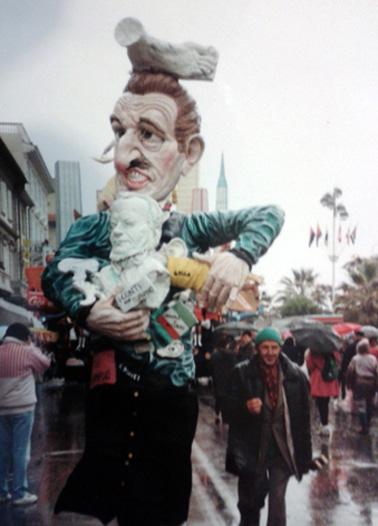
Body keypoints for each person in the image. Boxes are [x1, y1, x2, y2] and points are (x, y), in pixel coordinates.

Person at [41, 18, 285, 526]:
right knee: (78, 513)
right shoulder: (99, 228)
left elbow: (270, 214)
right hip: (108, 406)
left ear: (187, 153)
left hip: (168, 412)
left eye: (149, 134)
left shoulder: (189, 228)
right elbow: (56, 271)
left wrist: (239, 255)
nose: (129, 151)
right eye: (120, 131)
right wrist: (90, 312)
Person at [226, 327, 324, 526]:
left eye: (274, 347)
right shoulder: (241, 373)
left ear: (280, 348)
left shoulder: (296, 376)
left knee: (277, 500)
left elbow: (303, 420)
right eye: (265, 348)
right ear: (257, 349)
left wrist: (304, 455)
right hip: (253, 449)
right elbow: (228, 410)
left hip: (282, 450)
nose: (270, 353)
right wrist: (244, 408)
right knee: (250, 503)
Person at [0, 323, 51, 506]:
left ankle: (1, 491)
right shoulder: (27, 351)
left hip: (1, 409)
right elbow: (45, 364)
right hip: (22, 408)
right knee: (20, 450)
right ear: (25, 337)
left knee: (3, 450)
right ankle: (19, 493)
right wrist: (31, 346)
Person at [346, 338, 378, 434]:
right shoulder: (373, 359)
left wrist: (349, 384)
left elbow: (350, 372)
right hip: (371, 383)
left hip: (359, 383)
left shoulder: (355, 358)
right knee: (369, 404)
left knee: (361, 405)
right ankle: (367, 423)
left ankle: (364, 427)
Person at [305, 348, 340, 436]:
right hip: (329, 380)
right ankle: (324, 424)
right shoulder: (333, 351)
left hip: (319, 380)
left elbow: (310, 366)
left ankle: (324, 426)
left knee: (321, 405)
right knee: (326, 403)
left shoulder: (313, 352)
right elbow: (338, 361)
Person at [210, 334, 237, 423]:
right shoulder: (232, 354)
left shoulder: (215, 354)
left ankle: (217, 414)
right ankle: (225, 416)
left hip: (217, 378)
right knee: (226, 398)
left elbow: (211, 365)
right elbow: (234, 366)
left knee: (218, 398)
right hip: (228, 378)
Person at [339, 329, 364, 399]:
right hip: (364, 374)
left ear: (356, 336)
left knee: (353, 389)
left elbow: (345, 359)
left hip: (353, 371)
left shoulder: (351, 346)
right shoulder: (367, 346)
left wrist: (343, 370)